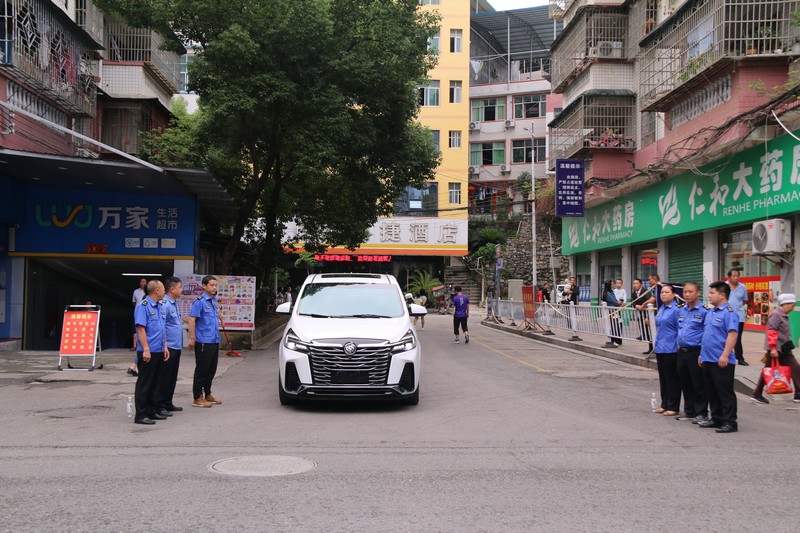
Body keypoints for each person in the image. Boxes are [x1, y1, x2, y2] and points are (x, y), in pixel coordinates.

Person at [698, 281, 739, 433]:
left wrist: (725, 355)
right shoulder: (711, 312)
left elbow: (732, 335)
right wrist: (701, 355)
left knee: (725, 392)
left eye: (712, 293)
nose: (709, 295)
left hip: (721, 359)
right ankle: (716, 418)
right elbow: (706, 335)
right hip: (708, 358)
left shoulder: (729, 313)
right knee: (712, 391)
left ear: (722, 295)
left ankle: (730, 422)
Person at [751, 293, 800, 404]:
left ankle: (798, 394)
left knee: (796, 368)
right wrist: (773, 348)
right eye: (792, 305)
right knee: (768, 371)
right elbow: (772, 331)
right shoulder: (776, 314)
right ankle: (756, 394)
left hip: (784, 349)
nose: (793, 308)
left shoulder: (783, 314)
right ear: (785, 304)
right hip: (776, 349)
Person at [132, 280, 169, 425]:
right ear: (156, 291)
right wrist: (146, 349)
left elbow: (161, 328)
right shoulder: (143, 306)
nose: (165, 291)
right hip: (148, 351)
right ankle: (141, 415)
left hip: (159, 349)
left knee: (156, 382)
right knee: (145, 383)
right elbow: (141, 329)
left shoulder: (159, 305)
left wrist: (165, 346)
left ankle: (151, 411)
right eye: (163, 288)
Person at [675, 281, 709, 423]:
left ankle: (701, 412)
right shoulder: (681, 310)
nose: (687, 294)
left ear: (698, 293)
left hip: (696, 351)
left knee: (698, 383)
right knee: (685, 382)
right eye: (685, 292)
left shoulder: (704, 311)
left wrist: (703, 353)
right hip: (682, 351)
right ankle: (689, 411)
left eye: (690, 292)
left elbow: (707, 333)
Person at [188, 275, 221, 408]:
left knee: (211, 369)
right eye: (212, 285)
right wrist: (192, 338)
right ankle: (197, 397)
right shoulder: (199, 302)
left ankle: (207, 394)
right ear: (204, 286)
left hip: (214, 339)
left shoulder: (213, 301)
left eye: (215, 285)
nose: (214, 288)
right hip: (203, 341)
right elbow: (192, 319)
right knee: (202, 369)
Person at [155, 276, 184, 414]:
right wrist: (164, 345)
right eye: (180, 287)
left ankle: (168, 402)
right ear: (172, 289)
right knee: (164, 377)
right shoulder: (165, 304)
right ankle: (159, 406)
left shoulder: (174, 303)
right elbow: (161, 326)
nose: (181, 290)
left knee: (172, 377)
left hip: (176, 346)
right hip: (169, 347)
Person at [653, 284, 680, 416]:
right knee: (663, 378)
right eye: (662, 292)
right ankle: (665, 404)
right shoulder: (662, 308)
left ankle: (673, 406)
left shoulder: (676, 310)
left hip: (671, 348)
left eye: (667, 292)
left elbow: (680, 329)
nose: (663, 294)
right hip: (660, 347)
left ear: (674, 294)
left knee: (672, 379)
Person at [726, 269, 749, 366]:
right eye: (734, 276)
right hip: (726, 315)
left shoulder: (742, 287)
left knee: (737, 338)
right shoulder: (724, 286)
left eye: (737, 276)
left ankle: (740, 358)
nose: (736, 278)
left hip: (739, 316)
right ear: (729, 277)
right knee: (725, 336)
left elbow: (744, 301)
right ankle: (725, 356)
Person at [127, 277, 147, 376]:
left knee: (142, 348)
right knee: (143, 348)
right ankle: (133, 366)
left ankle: (133, 366)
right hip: (143, 326)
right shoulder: (143, 307)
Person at [601, 279, 622, 347]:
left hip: (614, 311)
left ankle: (616, 340)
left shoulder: (611, 292)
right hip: (611, 312)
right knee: (614, 326)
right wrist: (619, 303)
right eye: (612, 284)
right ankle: (613, 340)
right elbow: (615, 302)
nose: (614, 285)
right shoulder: (607, 293)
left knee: (615, 326)